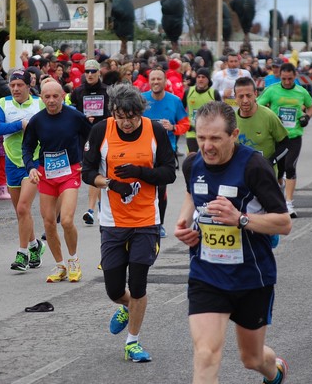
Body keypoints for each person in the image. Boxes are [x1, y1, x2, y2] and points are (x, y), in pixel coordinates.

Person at [174, 101, 291, 384]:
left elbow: (283, 223)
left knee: (251, 359)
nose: (207, 146)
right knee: (205, 354)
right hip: (207, 274)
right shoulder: (192, 163)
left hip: (252, 277)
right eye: (201, 138)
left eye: (215, 138)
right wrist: (184, 222)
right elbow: (193, 193)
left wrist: (240, 219)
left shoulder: (253, 166)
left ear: (234, 134)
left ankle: (274, 370)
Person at [81, 83, 176, 362]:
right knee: (113, 289)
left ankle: (132, 341)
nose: (125, 123)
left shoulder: (155, 130)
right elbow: (87, 172)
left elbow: (169, 173)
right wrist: (110, 184)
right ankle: (126, 307)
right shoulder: (101, 131)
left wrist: (139, 172)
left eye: (131, 117)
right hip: (112, 221)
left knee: (138, 285)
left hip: (147, 219)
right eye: (120, 116)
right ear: (113, 113)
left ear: (140, 113)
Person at [22, 80, 92, 283]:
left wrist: (86, 162)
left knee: (67, 219)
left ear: (62, 96)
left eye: (55, 96)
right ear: (41, 98)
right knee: (49, 222)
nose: (51, 101)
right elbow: (27, 147)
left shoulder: (74, 116)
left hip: (70, 171)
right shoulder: (37, 120)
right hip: (46, 173)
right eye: (47, 97)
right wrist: (31, 167)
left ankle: (73, 260)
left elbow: (93, 138)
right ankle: (60, 265)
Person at [0, 69, 46, 271]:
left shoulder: (39, 103)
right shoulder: (3, 104)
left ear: (28, 86)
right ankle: (34, 245)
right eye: (12, 85)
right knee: (20, 212)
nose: (15, 89)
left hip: (32, 163)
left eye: (19, 85)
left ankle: (22, 254)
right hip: (12, 162)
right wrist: (19, 125)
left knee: (23, 208)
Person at [257, 63, 312, 218]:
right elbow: (258, 106)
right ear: (280, 76)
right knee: (277, 171)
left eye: (290, 79)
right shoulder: (272, 90)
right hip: (277, 137)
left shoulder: (301, 92)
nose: (287, 82)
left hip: (294, 136)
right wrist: (272, 115)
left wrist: (307, 117)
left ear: (295, 76)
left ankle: (288, 204)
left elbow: (311, 106)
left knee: (290, 167)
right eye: (284, 79)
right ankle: (278, 196)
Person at [142, 68, 189, 237]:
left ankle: (159, 224)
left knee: (161, 188)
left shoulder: (174, 101)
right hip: (144, 149)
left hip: (166, 150)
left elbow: (185, 124)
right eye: (152, 79)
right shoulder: (142, 100)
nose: (155, 82)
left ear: (165, 82)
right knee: (144, 188)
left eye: (158, 79)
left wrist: (173, 127)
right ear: (149, 81)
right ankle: (143, 222)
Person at [70, 59, 110, 226]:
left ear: (99, 72)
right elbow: (72, 112)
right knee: (91, 169)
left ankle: (95, 209)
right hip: (84, 136)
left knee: (98, 169)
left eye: (93, 71)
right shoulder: (78, 92)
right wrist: (83, 118)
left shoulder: (107, 91)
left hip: (104, 135)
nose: (90, 74)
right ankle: (94, 209)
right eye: (87, 71)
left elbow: (112, 113)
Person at [182, 67, 221, 154]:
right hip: (192, 130)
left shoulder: (214, 93)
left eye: (203, 77)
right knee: (191, 156)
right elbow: (180, 110)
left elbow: (220, 113)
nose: (200, 79)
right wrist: (185, 124)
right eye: (198, 77)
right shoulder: (189, 92)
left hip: (209, 131)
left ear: (208, 80)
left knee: (209, 155)